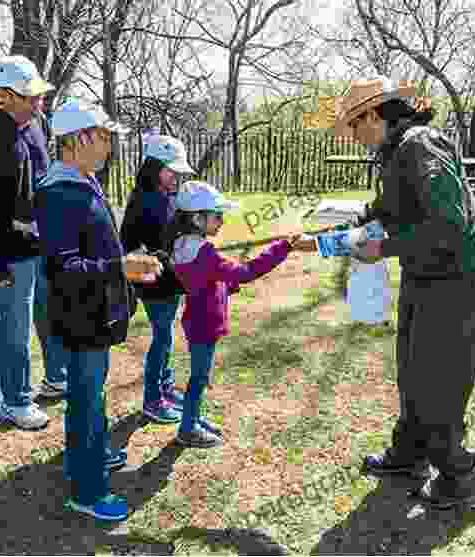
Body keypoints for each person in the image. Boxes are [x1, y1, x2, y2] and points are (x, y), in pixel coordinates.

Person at [297, 76, 475, 509]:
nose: (352, 137)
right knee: (411, 367)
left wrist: (384, 247)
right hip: (425, 274)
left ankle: (459, 478)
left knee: (440, 379)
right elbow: (381, 214)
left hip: (461, 279)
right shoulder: (392, 152)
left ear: (373, 114)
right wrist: (321, 241)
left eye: (354, 125)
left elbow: (449, 224)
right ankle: (409, 455)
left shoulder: (420, 145)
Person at [33, 99, 163, 521]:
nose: (109, 145)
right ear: (76, 139)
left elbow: (94, 249)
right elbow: (63, 266)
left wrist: (125, 267)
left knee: (91, 396)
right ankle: (87, 492)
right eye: (104, 136)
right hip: (79, 316)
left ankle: (85, 461)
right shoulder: (58, 193)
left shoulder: (83, 180)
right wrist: (118, 267)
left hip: (95, 311)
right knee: (86, 401)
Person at [0, 55, 69, 431]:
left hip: (43, 244)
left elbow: (45, 177)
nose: (39, 103)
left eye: (39, 96)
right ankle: (15, 401)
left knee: (50, 314)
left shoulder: (35, 126)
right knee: (16, 328)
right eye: (30, 97)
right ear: (4, 95)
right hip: (10, 253)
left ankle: (56, 378)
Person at [167, 181, 307, 448]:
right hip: (205, 324)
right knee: (199, 378)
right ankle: (188, 428)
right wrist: (283, 247)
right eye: (217, 216)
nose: (221, 221)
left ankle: (193, 417)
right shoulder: (204, 251)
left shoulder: (184, 244)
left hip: (197, 319)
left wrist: (224, 286)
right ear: (197, 218)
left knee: (200, 376)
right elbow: (247, 272)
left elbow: (203, 278)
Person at [120, 134, 195, 424]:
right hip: (155, 282)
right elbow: (135, 244)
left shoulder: (164, 196)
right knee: (162, 339)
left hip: (169, 279)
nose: (176, 176)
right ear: (153, 167)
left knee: (167, 335)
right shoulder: (146, 200)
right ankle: (153, 399)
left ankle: (165, 386)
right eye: (171, 171)